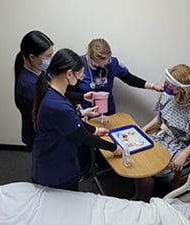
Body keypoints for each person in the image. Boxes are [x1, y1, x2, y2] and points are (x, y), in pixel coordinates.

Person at [31, 48, 123, 191]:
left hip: (54, 155)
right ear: (69, 74)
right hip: (55, 166)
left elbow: (73, 122)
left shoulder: (54, 91)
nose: (81, 77)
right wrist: (114, 148)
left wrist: (95, 129)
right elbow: (84, 136)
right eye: (80, 74)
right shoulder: (57, 105)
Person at [132, 64, 190, 202]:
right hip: (162, 136)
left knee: (148, 168)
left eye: (169, 84)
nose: (164, 86)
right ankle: (138, 195)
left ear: (181, 88)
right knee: (139, 156)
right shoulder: (168, 96)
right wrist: (144, 128)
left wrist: (183, 156)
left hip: (179, 147)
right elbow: (160, 119)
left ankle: (143, 200)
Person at [14, 30, 96, 149]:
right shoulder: (27, 85)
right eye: (48, 56)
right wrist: (80, 114)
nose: (51, 59)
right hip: (41, 135)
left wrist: (81, 97)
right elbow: (52, 111)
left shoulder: (40, 70)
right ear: (32, 57)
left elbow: (56, 91)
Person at [69, 38, 163, 116]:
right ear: (89, 56)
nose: (102, 67)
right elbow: (70, 90)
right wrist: (78, 106)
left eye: (105, 63)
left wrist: (152, 86)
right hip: (86, 110)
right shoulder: (79, 64)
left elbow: (130, 79)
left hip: (107, 109)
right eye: (98, 64)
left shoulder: (113, 63)